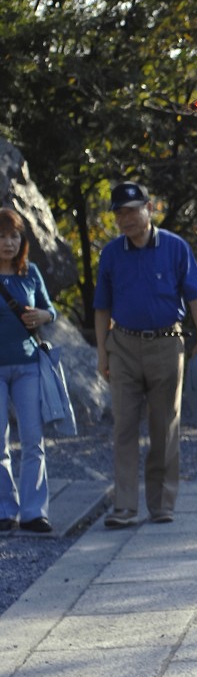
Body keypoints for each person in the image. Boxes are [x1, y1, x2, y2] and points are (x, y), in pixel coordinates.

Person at [94, 182, 197, 527]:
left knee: (165, 427)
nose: (125, 218)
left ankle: (161, 503)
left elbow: (196, 296)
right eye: (119, 212)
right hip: (124, 346)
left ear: (149, 207)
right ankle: (125, 506)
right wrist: (102, 353)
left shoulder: (175, 247)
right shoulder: (111, 253)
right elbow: (101, 308)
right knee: (124, 427)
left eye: (132, 209)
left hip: (166, 343)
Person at [0, 207, 57, 533]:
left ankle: (34, 512)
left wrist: (43, 317)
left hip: (28, 367)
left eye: (13, 235)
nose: (8, 242)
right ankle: (4, 510)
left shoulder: (30, 273)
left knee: (33, 440)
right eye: (2, 236)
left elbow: (51, 311)